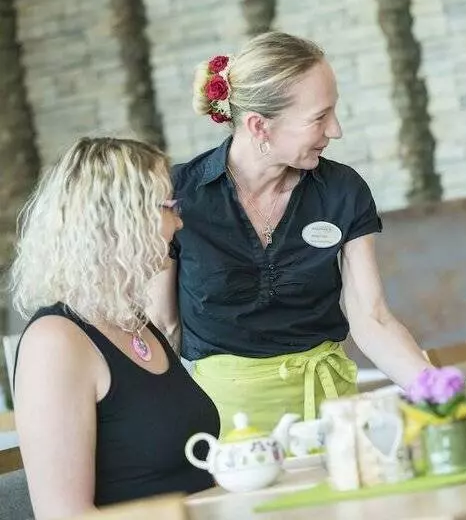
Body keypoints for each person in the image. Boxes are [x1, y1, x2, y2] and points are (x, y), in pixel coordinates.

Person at [147, 31, 429, 433]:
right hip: (224, 426)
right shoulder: (178, 195)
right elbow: (162, 323)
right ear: (260, 126)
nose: (336, 130)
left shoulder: (342, 191)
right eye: (319, 117)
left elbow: (372, 318)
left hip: (333, 415)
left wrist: (434, 390)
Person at [11, 138, 219, 519]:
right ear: (121, 219)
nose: (179, 222)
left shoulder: (134, 323)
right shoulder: (55, 343)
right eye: (168, 207)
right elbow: (63, 515)